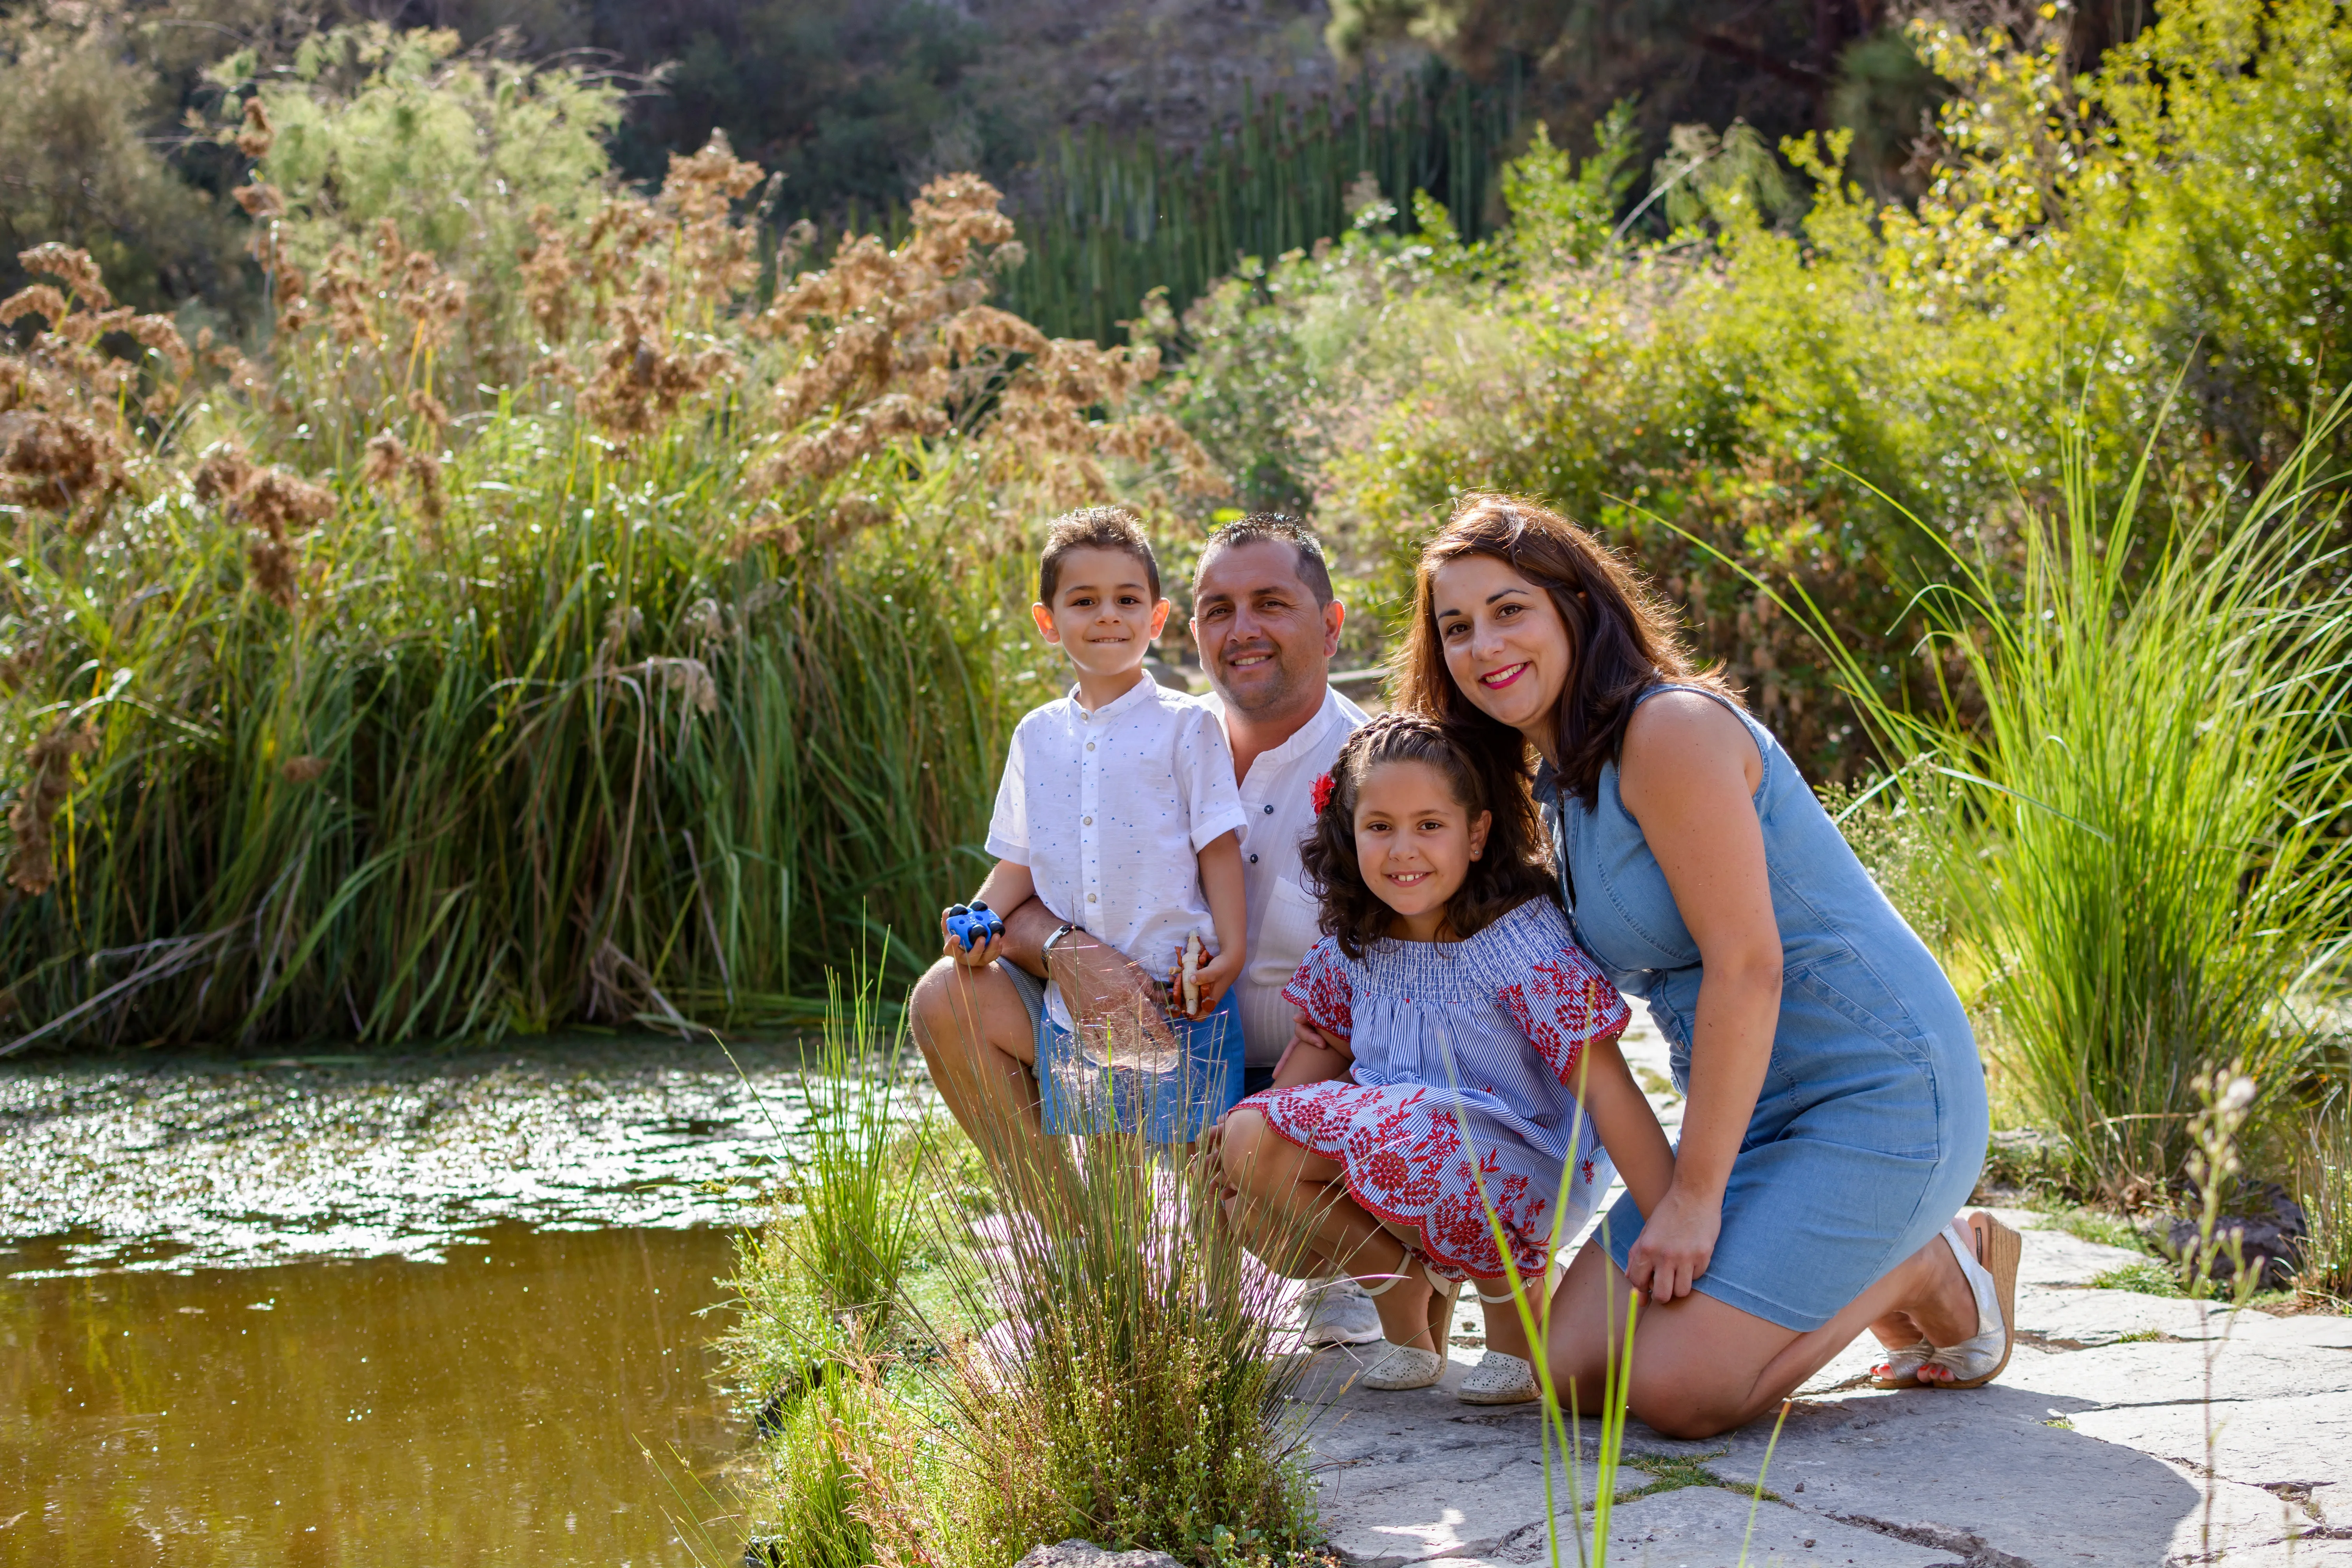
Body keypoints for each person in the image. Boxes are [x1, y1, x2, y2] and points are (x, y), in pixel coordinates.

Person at [1402, 492, 2014, 1440]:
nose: (1483, 645)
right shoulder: (1560, 782)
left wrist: (1692, 1197)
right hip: (1752, 1108)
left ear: (1576, 604)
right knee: (1572, 1370)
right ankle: (1871, 1252)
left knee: (1681, 1391)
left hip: (1879, 1089)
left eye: (1509, 609)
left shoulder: (1670, 730)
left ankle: (1928, 1263)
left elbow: (1748, 966)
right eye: (1456, 627)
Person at [911, 514, 1385, 1341]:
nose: (1243, 630)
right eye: (1220, 608)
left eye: (1272, 603)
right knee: (947, 998)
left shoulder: (1378, 769)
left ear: (1332, 624)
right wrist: (1056, 948)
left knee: (1241, 1189)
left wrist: (1279, 1076)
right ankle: (1081, 1251)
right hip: (1137, 1010)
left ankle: (1333, 1263)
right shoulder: (1099, 733)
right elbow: (1025, 873)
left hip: (1307, 1080)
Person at [1214, 714, 1675, 1405]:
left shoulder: (1518, 943)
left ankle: (1512, 1320)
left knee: (1400, 1126)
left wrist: (1671, 1219)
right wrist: (1236, 1153)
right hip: (1403, 1148)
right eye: (1380, 827)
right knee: (1243, 1148)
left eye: (1430, 825)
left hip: (1523, 1164)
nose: (1404, 851)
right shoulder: (1358, 945)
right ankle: (1405, 1310)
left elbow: (1609, 1093)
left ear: (1478, 833)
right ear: (1350, 832)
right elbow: (1301, 1085)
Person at [940, 506, 1249, 1144]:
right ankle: (1100, 1249)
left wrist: (1235, 952)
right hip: (1075, 1006)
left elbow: (1218, 849)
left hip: (1179, 990)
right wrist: (976, 916)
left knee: (1197, 1171)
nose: (1108, 615)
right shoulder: (1036, 736)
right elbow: (1021, 860)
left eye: (1127, 599)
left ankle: (1194, 1249)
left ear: (1157, 619)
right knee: (1111, 1175)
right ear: (1049, 622)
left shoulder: (1187, 726)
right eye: (1085, 601)